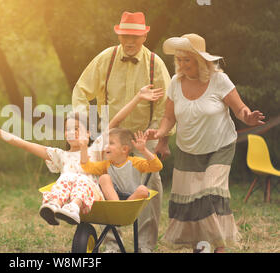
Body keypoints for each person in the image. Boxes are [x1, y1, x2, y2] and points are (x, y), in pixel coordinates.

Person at [145, 33, 265, 252]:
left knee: (210, 193)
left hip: (220, 147)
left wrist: (247, 117)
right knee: (191, 201)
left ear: (200, 60)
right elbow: (169, 118)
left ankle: (219, 247)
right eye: (178, 60)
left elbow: (240, 109)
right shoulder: (175, 82)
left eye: (186, 60)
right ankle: (200, 246)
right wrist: (160, 135)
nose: (181, 65)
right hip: (188, 151)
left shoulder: (219, 80)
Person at [72, 11, 174, 252]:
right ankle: (111, 244)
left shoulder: (154, 64)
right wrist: (82, 124)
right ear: (119, 34)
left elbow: (167, 106)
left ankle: (146, 245)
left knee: (151, 187)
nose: (130, 42)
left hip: (143, 137)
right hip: (111, 135)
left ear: (145, 36)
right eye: (125, 36)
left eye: (135, 37)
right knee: (105, 184)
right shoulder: (105, 59)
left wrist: (163, 139)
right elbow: (81, 91)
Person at [0, 112, 103, 226]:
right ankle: (54, 205)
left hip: (92, 196)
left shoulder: (95, 151)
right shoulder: (60, 155)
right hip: (68, 197)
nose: (71, 132)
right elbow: (24, 144)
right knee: (64, 178)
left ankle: (74, 207)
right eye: (67, 129)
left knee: (80, 178)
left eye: (76, 128)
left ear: (88, 132)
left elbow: (115, 125)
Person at [81, 128, 162, 201]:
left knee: (143, 190)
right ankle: (118, 206)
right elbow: (87, 167)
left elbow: (157, 166)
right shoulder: (107, 165)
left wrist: (144, 150)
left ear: (124, 149)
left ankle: (124, 207)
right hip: (113, 197)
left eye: (111, 143)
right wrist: (84, 146)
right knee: (104, 178)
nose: (106, 146)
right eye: (106, 143)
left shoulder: (135, 162)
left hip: (132, 197)